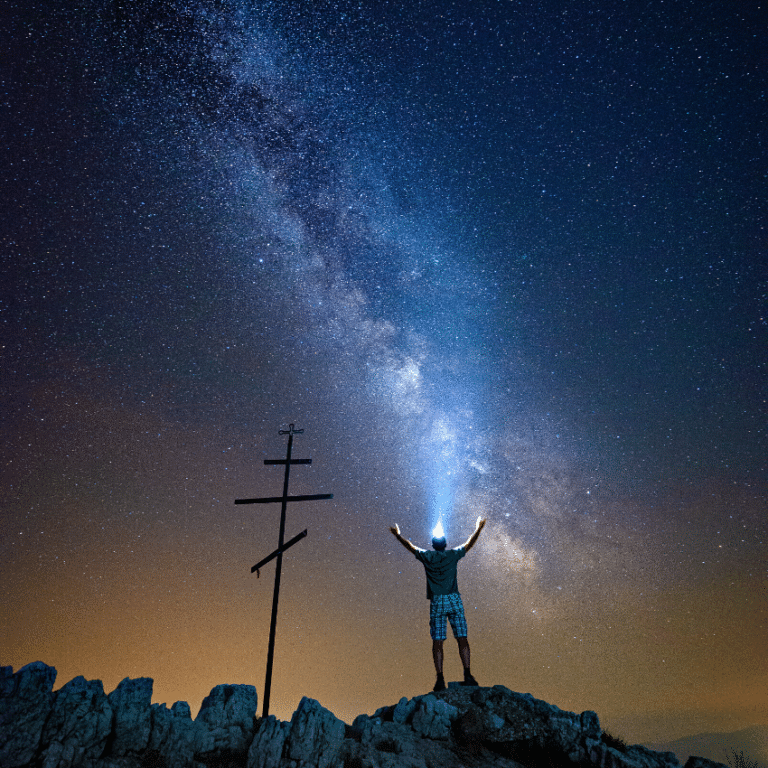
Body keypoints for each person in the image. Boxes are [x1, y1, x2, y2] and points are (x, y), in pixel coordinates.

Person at [389, 516, 486, 692]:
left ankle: (440, 678)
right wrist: (478, 528)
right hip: (453, 598)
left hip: (437, 601)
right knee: (462, 638)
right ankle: (468, 674)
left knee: (438, 641)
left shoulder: (427, 556)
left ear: (433, 545)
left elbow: (410, 547)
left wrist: (398, 535)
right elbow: (469, 544)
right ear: (445, 544)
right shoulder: (452, 555)